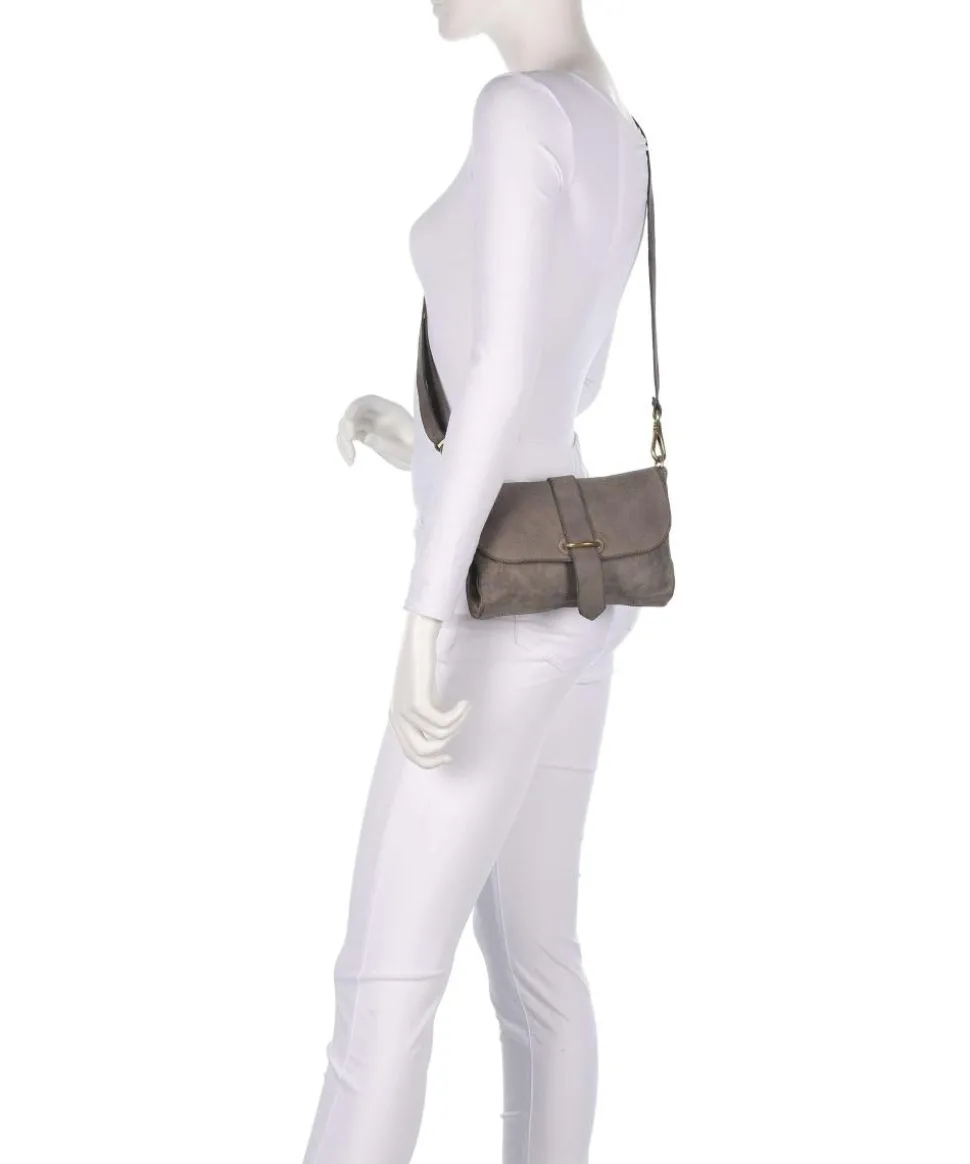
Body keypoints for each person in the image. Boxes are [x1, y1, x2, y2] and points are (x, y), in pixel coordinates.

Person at [304, 4, 653, 1161]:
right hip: (576, 594)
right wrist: (423, 441)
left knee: (380, 993)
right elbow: (565, 382)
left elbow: (504, 367)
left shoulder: (516, 110)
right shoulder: (617, 126)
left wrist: (426, 611)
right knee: (543, 978)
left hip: (490, 617)